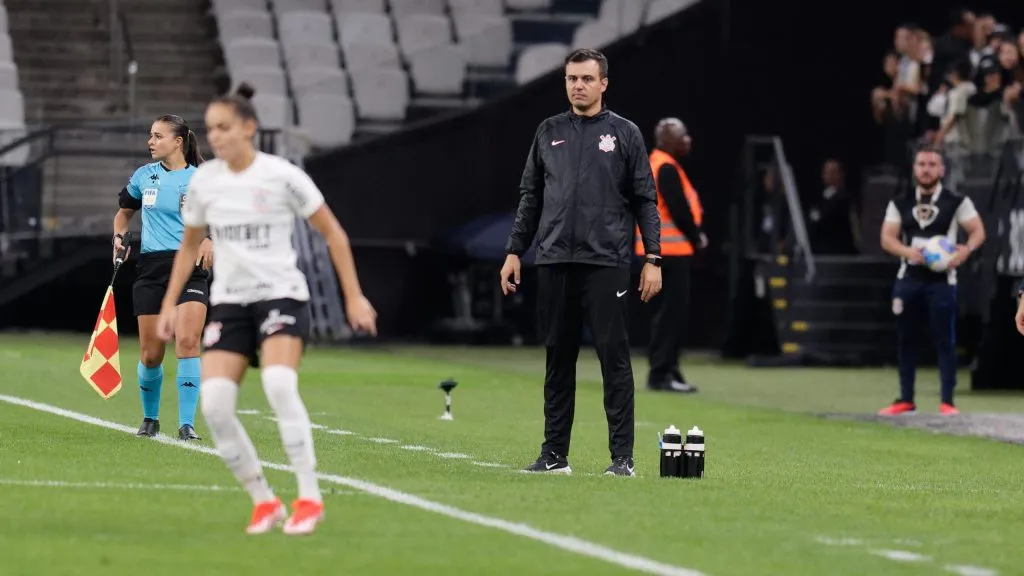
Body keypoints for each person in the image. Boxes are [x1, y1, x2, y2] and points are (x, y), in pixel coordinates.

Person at [154, 83, 378, 535]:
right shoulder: (206, 181)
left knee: (278, 382)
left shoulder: (282, 176)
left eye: (225, 127)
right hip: (232, 303)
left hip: (281, 295)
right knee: (215, 405)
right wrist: (167, 303)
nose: (216, 136)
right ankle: (264, 500)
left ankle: (310, 498)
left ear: (249, 128)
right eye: (212, 128)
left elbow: (333, 234)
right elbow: (189, 245)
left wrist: (354, 295)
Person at [500, 48, 662, 477]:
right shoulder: (548, 131)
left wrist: (654, 258)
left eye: (587, 79)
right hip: (553, 260)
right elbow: (530, 198)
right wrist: (515, 250)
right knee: (558, 358)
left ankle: (622, 459)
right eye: (572, 79)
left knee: (614, 358)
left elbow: (646, 199)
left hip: (606, 263)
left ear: (604, 83)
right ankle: (554, 455)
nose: (578, 86)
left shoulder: (624, 134)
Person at [113, 114, 213, 441]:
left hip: (190, 267)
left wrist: (210, 238)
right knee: (151, 354)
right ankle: (150, 418)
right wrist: (119, 236)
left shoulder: (202, 179)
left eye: (157, 136)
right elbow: (124, 213)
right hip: (151, 269)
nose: (150, 142)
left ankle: (187, 424)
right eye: (150, 135)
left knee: (187, 342)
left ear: (177, 142)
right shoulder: (144, 177)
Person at [878, 146, 985, 416]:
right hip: (909, 279)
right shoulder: (900, 202)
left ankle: (947, 401)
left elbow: (977, 231)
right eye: (922, 164)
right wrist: (908, 252)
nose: (926, 169)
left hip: (941, 281)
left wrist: (966, 251)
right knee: (906, 339)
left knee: (944, 340)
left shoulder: (956, 201)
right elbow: (887, 238)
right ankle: (905, 399)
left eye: (932, 164)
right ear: (914, 169)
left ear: (942, 170)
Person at [636, 118, 706, 394]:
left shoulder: (655, 163)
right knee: (672, 314)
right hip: (671, 252)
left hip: (658, 252)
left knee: (665, 314)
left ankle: (668, 369)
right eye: (682, 135)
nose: (687, 140)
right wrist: (696, 236)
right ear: (667, 140)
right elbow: (678, 208)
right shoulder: (665, 167)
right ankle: (662, 373)